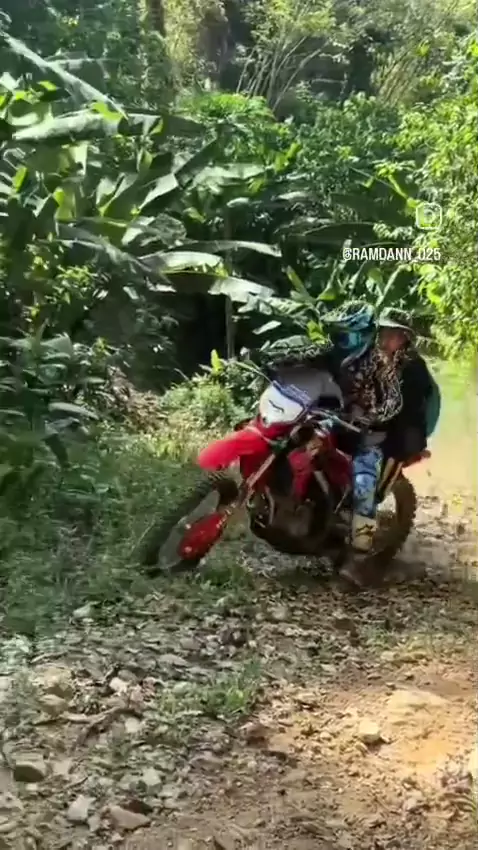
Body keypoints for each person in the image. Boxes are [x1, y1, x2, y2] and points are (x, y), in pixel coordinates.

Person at [377, 308, 440, 466]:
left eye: (391, 335)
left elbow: (407, 409)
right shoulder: (378, 359)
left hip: (405, 434)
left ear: (403, 338)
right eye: (383, 333)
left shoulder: (412, 366)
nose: (384, 339)